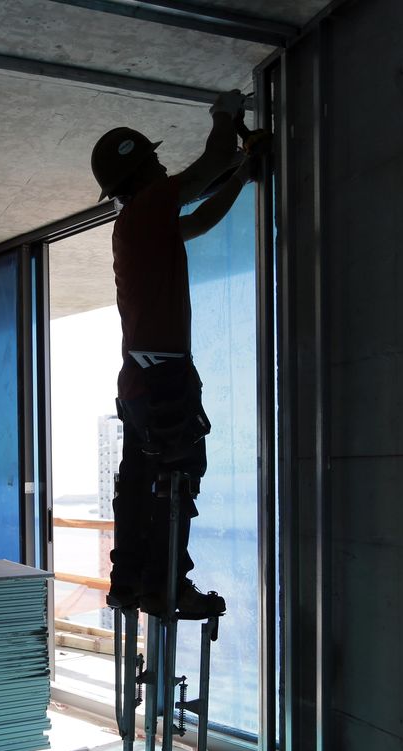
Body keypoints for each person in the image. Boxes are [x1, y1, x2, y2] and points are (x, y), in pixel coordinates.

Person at [90, 89, 250, 619]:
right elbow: (213, 163)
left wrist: (245, 174)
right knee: (176, 476)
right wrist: (225, 116)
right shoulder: (151, 205)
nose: (163, 164)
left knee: (141, 484)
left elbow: (200, 222)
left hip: (140, 380)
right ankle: (168, 588)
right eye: (155, 160)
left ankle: (132, 582)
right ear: (141, 173)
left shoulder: (135, 224)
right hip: (163, 378)